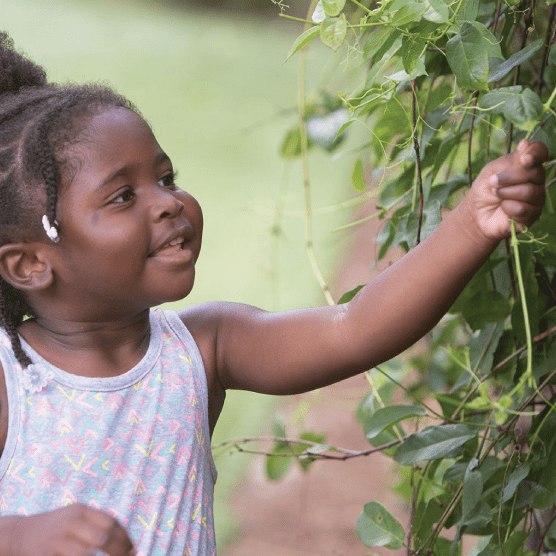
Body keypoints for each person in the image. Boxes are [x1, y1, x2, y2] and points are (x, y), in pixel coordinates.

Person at [0, 31, 549, 556]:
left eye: (166, 179)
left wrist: (473, 225)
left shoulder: (204, 348)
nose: (167, 203)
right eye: (122, 196)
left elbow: (357, 328)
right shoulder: (11, 382)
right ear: (29, 265)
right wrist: (18, 539)